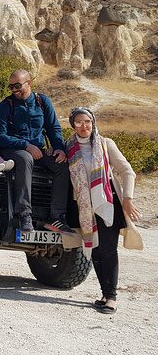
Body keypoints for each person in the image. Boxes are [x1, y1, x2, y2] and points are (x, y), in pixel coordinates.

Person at [65, 107, 143, 314]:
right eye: (79, 122)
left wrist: (127, 198)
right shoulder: (69, 148)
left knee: (108, 250)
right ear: (73, 125)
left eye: (87, 121)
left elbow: (128, 172)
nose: (84, 126)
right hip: (84, 207)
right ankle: (104, 293)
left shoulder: (106, 144)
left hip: (108, 203)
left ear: (93, 122)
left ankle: (112, 298)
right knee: (96, 251)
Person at [0, 69, 74, 234]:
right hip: (12, 150)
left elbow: (54, 128)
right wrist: (26, 145)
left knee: (61, 165)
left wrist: (59, 148)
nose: (14, 90)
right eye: (10, 86)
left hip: (38, 150)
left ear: (29, 83)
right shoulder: (5, 105)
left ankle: (56, 217)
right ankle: (24, 213)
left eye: (17, 85)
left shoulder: (43, 102)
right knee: (25, 159)